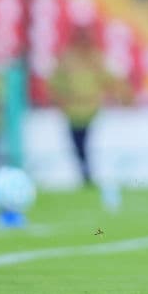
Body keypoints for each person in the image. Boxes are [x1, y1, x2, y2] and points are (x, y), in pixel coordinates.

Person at [49, 25, 119, 186]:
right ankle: (84, 173)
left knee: (88, 144)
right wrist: (61, 101)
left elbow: (109, 79)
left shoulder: (96, 58)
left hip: (92, 111)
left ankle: (88, 173)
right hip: (73, 111)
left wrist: (114, 94)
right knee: (77, 144)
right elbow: (54, 83)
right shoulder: (66, 58)